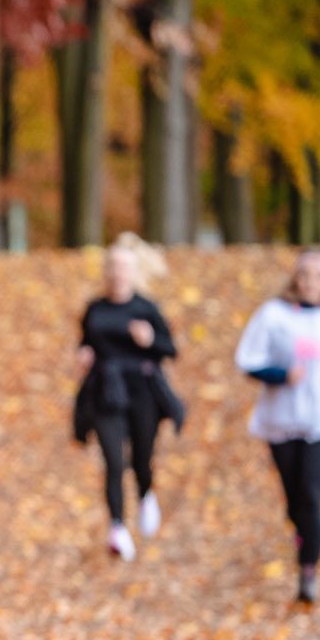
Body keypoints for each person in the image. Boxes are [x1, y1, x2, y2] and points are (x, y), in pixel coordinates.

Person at [233, 247, 320, 604]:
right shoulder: (273, 314)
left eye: (318, 276)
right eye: (305, 275)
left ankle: (308, 569)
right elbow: (248, 359)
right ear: (295, 278)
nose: (310, 282)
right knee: (295, 500)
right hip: (282, 419)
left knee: (312, 492)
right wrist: (279, 375)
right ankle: (313, 531)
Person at [71, 233, 185, 561]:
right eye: (113, 267)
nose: (118, 273)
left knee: (141, 457)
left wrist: (149, 340)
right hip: (106, 390)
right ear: (106, 271)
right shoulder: (94, 308)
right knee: (113, 460)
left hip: (142, 391)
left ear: (134, 273)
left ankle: (146, 493)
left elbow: (170, 349)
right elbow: (85, 341)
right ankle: (117, 527)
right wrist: (84, 354)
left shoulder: (146, 308)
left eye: (124, 268)